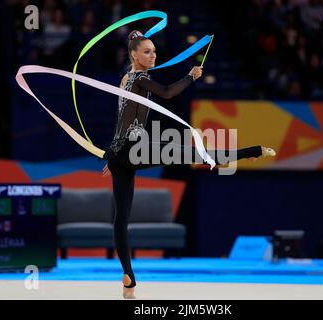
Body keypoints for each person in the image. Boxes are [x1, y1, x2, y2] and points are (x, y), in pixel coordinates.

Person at [102, 30, 276, 299]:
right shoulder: (140, 78)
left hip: (118, 152)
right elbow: (169, 93)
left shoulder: (126, 79)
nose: (153, 55)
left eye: (154, 52)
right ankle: (250, 151)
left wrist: (112, 157)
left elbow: (122, 119)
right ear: (134, 55)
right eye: (147, 52)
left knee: (120, 218)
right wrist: (191, 77)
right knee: (197, 155)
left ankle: (128, 279)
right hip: (132, 149)